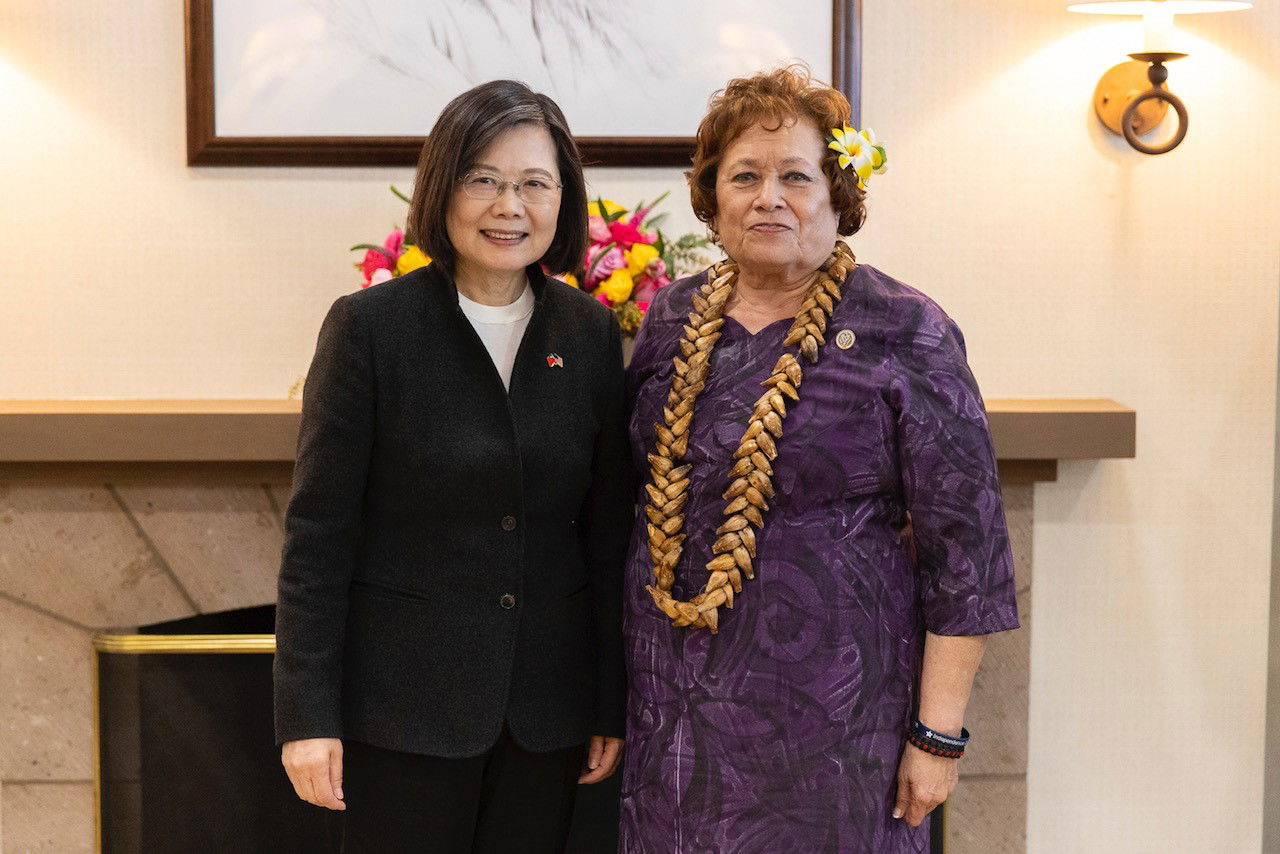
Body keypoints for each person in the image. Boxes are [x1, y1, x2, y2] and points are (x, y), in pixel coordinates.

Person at [619, 65, 1020, 852]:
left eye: (795, 176)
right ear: (713, 198)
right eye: (745, 176)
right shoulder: (669, 317)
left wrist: (937, 738)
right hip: (674, 718)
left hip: (839, 726)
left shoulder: (908, 330)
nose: (769, 196)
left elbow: (966, 555)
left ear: (839, 195)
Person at [273, 80, 631, 853]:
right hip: (402, 709)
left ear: (563, 201)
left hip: (548, 712)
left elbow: (606, 537)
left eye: (535, 183)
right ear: (443, 188)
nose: (511, 206)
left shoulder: (593, 333)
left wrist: (610, 703)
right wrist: (306, 716)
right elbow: (318, 535)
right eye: (484, 180)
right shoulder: (371, 328)